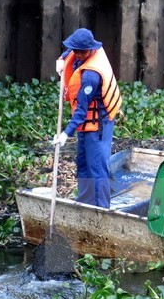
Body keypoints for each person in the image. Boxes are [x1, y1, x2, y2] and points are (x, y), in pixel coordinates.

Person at [52, 28, 123, 208]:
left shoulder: (91, 76)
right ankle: (84, 203)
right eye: (76, 51)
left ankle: (100, 210)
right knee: (83, 164)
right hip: (85, 124)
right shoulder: (79, 51)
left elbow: (82, 111)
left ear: (90, 50)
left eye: (82, 52)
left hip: (98, 123)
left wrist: (65, 134)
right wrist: (61, 59)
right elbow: (71, 49)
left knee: (97, 169)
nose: (78, 54)